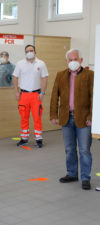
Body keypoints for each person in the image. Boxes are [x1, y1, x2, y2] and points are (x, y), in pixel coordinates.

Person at [50, 49, 94, 190]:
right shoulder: (61, 75)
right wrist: (53, 115)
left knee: (84, 150)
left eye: (75, 59)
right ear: (67, 61)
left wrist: (91, 117)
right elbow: (54, 96)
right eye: (70, 59)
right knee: (69, 149)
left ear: (81, 60)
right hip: (66, 117)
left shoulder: (90, 75)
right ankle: (72, 173)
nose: (73, 61)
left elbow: (95, 97)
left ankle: (85, 178)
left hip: (84, 119)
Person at [13, 45, 48, 148]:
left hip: (36, 95)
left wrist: (42, 92)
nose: (29, 52)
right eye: (27, 51)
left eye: (31, 50)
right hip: (23, 95)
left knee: (37, 117)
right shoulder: (20, 64)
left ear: (35, 52)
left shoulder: (41, 64)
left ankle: (38, 139)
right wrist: (16, 91)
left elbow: (45, 78)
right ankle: (24, 138)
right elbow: (15, 77)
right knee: (24, 117)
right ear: (25, 53)